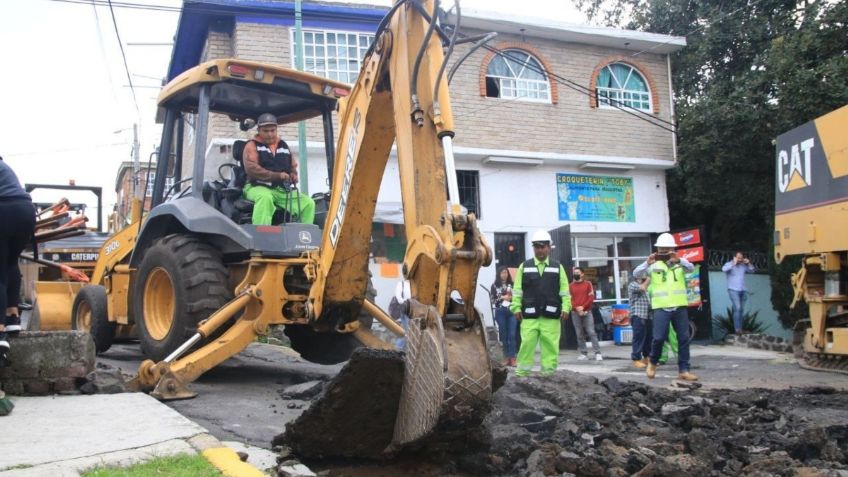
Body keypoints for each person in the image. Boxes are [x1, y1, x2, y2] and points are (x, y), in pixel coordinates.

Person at [633, 232, 698, 381]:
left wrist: (679, 260)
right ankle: (653, 363)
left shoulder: (680, 263)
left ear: (673, 249)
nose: (664, 253)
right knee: (658, 338)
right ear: (657, 250)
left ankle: (684, 370)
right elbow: (636, 273)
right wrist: (647, 262)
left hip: (679, 306)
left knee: (683, 338)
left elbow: (691, 268)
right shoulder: (653, 264)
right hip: (661, 307)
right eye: (661, 250)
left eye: (667, 250)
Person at [510, 230, 572, 376]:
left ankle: (548, 374)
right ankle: (522, 374)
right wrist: (516, 307)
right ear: (533, 248)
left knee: (550, 346)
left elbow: (564, 290)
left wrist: (566, 307)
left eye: (543, 246)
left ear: (549, 247)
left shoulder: (558, 267)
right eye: (537, 247)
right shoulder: (524, 266)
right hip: (529, 315)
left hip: (551, 316)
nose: (540, 250)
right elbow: (517, 290)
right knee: (526, 344)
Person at [242, 113, 315, 225]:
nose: (270, 134)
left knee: (308, 203)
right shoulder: (252, 145)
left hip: (280, 190)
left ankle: (303, 237)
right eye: (265, 131)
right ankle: (262, 236)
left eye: (272, 130)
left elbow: (292, 166)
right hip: (256, 187)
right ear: (259, 130)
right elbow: (252, 169)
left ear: (276, 129)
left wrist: (293, 175)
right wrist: (277, 176)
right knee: (265, 198)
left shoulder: (284, 146)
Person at [0, 157, 36, 366]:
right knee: (10, 262)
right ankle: (13, 317)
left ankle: (1, 331)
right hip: (25, 212)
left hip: (3, 211)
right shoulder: (6, 168)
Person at [569, 266, 602, 361]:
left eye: (578, 272)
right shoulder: (570, 285)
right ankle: (584, 353)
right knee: (579, 334)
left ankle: (597, 353)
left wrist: (583, 307)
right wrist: (577, 308)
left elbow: (591, 298)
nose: (576, 274)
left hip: (587, 312)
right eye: (575, 272)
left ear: (582, 274)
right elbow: (569, 299)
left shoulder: (588, 284)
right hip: (575, 313)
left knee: (591, 332)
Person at [722, 251, 755, 334]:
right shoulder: (729, 264)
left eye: (741, 258)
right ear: (734, 257)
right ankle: (737, 329)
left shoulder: (743, 265)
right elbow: (724, 269)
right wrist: (733, 263)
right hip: (733, 290)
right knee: (738, 308)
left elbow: (752, 271)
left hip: (743, 290)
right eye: (738, 258)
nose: (740, 259)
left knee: (741, 310)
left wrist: (748, 263)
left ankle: (740, 329)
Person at [490, 266, 517, 367]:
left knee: (512, 335)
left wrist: (512, 297)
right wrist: (502, 297)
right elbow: (492, 300)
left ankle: (513, 357)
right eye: (502, 273)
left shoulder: (513, 284)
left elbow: (518, 296)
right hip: (500, 311)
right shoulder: (494, 285)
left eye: (506, 273)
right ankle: (506, 357)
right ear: (499, 274)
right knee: (504, 335)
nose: (504, 275)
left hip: (512, 311)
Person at [627, 275, 651, 368]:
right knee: (638, 337)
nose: (646, 275)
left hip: (647, 315)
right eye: (643, 274)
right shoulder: (633, 285)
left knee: (648, 337)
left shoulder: (647, 286)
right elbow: (642, 288)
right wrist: (648, 279)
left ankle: (646, 357)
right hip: (638, 315)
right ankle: (636, 359)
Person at [393, 279, 411, 350]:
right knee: (408, 332)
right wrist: (408, 303)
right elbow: (398, 298)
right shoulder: (401, 284)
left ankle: (399, 348)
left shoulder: (412, 284)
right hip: (406, 311)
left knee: (408, 331)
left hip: (411, 311)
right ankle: (398, 347)